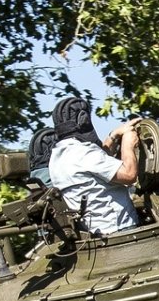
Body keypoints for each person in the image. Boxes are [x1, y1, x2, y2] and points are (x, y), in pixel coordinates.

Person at [45, 96, 141, 236]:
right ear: (83, 119)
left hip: (96, 232)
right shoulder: (84, 153)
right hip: (120, 229)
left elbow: (98, 164)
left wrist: (113, 136)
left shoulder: (57, 157)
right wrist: (128, 144)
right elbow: (129, 174)